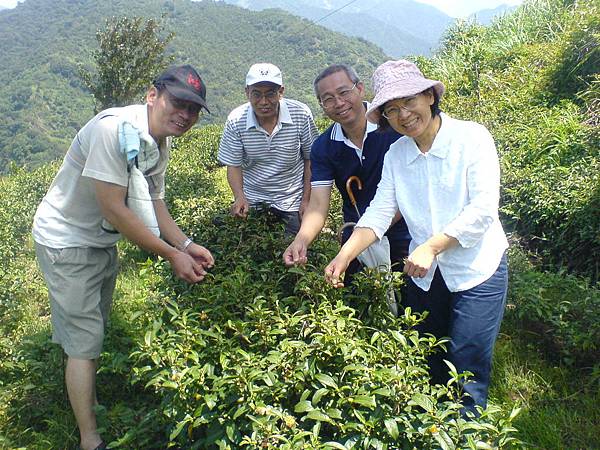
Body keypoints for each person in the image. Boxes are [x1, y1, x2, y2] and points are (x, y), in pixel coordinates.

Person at [32, 65, 215, 450]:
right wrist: (170, 255)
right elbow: (117, 209)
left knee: (90, 326)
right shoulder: (112, 130)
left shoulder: (157, 141)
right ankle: (89, 438)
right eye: (178, 102)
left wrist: (185, 245)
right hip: (67, 240)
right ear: (153, 95)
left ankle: (82, 389)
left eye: (193, 109)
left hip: (98, 240)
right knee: (85, 340)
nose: (185, 114)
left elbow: (155, 202)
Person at [324, 60, 509, 414]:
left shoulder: (471, 138)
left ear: (429, 95)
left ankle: (467, 430)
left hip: (477, 268)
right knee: (429, 354)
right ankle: (431, 429)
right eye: (392, 110)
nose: (403, 115)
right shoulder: (398, 153)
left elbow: (483, 209)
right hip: (427, 275)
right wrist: (345, 255)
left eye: (409, 101)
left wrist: (431, 245)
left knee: (466, 363)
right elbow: (379, 211)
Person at [283, 64, 411, 282]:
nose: (339, 103)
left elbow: (405, 193)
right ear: (322, 105)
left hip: (406, 234)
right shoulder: (324, 146)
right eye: (328, 98)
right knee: (361, 305)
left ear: (360, 89)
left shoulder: (394, 127)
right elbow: (317, 205)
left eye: (344, 92)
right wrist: (301, 240)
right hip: (355, 238)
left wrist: (368, 232)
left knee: (412, 307)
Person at [218, 63, 318, 235]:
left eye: (270, 94)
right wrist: (239, 196)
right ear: (247, 92)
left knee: (294, 252)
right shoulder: (236, 120)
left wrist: (307, 200)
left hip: (291, 201)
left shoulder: (300, 114)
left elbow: (311, 158)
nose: (263, 102)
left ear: (281, 92)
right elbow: (233, 165)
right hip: (253, 201)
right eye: (256, 94)